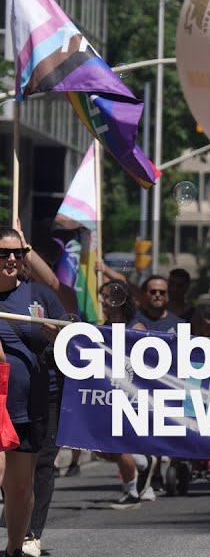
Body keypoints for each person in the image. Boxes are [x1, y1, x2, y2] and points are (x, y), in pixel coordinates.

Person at [0, 227, 64, 557]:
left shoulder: (38, 296)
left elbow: (72, 337)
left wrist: (55, 335)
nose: (11, 259)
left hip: (28, 406)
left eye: (18, 254)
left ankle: (14, 548)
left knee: (21, 487)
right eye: (3, 253)